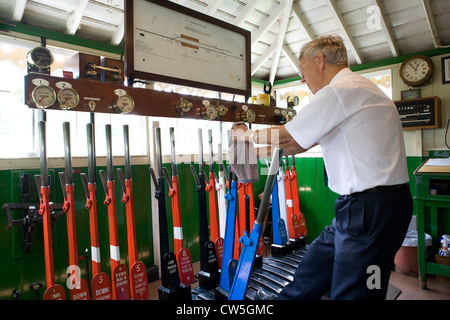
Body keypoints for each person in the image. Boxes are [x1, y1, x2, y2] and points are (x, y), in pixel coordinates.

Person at [232, 35, 412, 300]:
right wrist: (249, 154)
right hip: (372, 207)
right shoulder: (364, 88)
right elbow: (298, 144)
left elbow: (284, 135)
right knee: (315, 266)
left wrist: (243, 137)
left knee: (358, 289)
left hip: (368, 211)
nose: (302, 80)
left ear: (320, 61)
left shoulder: (339, 91)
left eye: (302, 71)